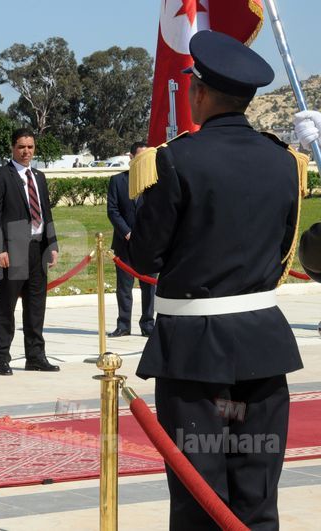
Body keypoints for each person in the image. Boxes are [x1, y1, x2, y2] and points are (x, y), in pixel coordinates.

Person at [128, 30, 304, 529]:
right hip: (262, 346)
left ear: (200, 92)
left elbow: (145, 255)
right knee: (257, 496)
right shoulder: (284, 161)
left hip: (193, 353)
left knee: (198, 499)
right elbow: (283, 244)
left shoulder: (175, 158)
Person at [0, 128, 59, 376]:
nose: (26, 151)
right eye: (21, 147)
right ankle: (2, 357)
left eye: (30, 147)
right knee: (6, 307)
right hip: (12, 252)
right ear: (12, 148)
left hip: (38, 249)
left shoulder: (39, 176)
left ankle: (35, 357)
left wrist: (52, 245)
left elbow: (46, 212)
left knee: (36, 306)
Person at [106, 142, 155, 338]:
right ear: (131, 158)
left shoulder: (155, 182)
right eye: (140, 157)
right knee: (124, 287)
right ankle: (123, 325)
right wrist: (127, 233)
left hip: (148, 244)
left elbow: (160, 212)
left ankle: (148, 324)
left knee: (149, 286)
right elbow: (113, 211)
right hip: (124, 244)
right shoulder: (117, 181)